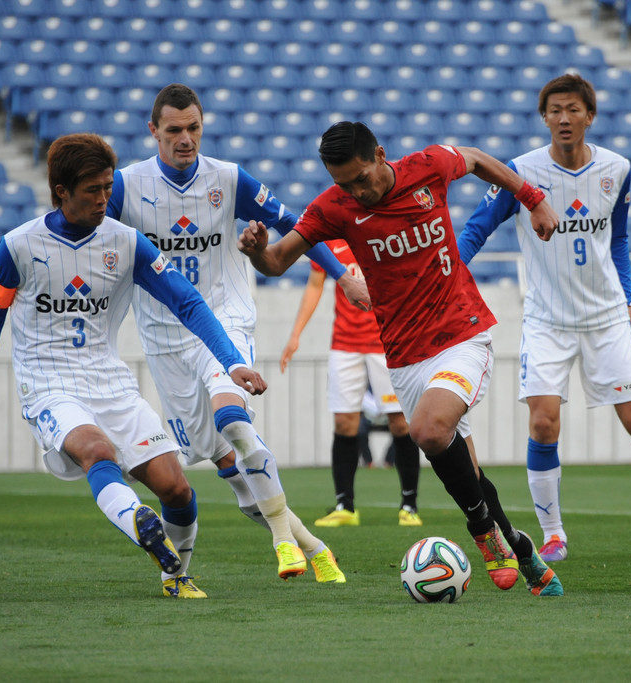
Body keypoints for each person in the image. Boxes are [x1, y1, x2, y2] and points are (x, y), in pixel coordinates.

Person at [239, 121, 564, 597]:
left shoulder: (427, 167)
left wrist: (533, 198)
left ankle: (484, 534)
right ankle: (520, 547)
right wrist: (256, 252)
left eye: (361, 177)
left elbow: (474, 157)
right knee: (466, 471)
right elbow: (277, 261)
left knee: (428, 431)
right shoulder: (334, 207)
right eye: (343, 183)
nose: (356, 190)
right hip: (405, 357)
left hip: (462, 332)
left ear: (381, 154)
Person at [0, 133, 270, 599]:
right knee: (96, 450)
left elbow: (190, 304)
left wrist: (232, 362)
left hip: (110, 380)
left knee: (176, 489)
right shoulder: (17, 247)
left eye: (106, 187)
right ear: (61, 191)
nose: (104, 199)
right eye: (92, 191)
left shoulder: (128, 243)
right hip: (48, 383)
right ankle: (139, 523)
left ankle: (175, 575)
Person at [106, 84, 363, 583]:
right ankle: (314, 547)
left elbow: (299, 224)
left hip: (224, 319)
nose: (186, 139)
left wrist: (343, 275)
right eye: (175, 130)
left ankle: (284, 544)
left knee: (234, 420)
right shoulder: (124, 186)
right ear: (153, 131)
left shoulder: (228, 178)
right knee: (231, 470)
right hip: (164, 340)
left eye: (194, 128)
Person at [457, 73, 631, 561]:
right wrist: (446, 276)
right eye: (554, 110)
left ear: (589, 116)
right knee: (543, 423)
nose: (563, 118)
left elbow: (616, 239)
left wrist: (630, 301)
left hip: (606, 318)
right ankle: (553, 534)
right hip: (546, 321)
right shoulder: (520, 172)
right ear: (545, 118)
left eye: (573, 109)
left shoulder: (617, 169)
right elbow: (475, 230)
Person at [279, 238, 423, 527]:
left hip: (387, 344)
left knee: (400, 422)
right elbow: (315, 284)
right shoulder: (330, 239)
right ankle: (345, 506)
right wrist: (295, 335)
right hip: (344, 345)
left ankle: (409, 505)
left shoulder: (383, 232)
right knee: (345, 422)